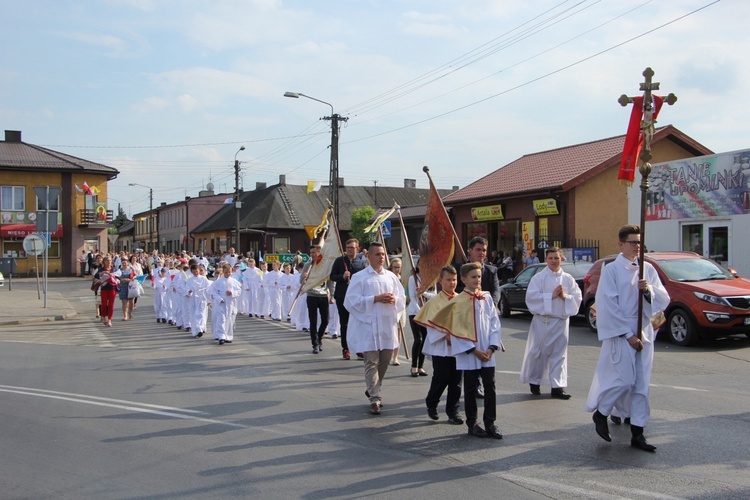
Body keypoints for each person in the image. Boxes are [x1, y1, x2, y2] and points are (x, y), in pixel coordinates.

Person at [585, 225, 670, 452]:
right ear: (621, 244)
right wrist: (628, 334)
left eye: (639, 243)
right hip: (622, 331)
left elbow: (663, 299)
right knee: (624, 379)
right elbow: (608, 304)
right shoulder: (612, 270)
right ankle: (602, 413)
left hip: (644, 327)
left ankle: (638, 432)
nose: (637, 246)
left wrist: (648, 291)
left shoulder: (647, 269)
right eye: (633, 242)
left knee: (641, 385)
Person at [429, 262, 503, 439]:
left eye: (479, 276)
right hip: (470, 352)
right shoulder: (458, 302)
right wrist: (473, 350)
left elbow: (494, 323)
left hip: (487, 351)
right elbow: (456, 329)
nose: (477, 280)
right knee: (470, 388)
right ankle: (473, 423)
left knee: (490, 387)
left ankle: (490, 423)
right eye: (473, 277)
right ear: (464, 279)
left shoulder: (486, 298)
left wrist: (491, 347)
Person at [344, 242, 406, 415]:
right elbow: (351, 301)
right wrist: (375, 298)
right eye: (377, 254)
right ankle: (375, 398)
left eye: (383, 254)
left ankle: (373, 387)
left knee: (384, 361)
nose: (381, 257)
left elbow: (402, 298)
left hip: (386, 325)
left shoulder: (391, 277)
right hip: (369, 326)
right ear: (369, 256)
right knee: (371, 361)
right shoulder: (360, 277)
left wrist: (395, 300)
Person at [520, 247, 582, 399]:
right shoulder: (538, 278)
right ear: (546, 260)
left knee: (559, 355)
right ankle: (535, 381)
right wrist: (551, 296)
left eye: (557, 258)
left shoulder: (568, 278)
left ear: (561, 259)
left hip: (560, 321)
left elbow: (577, 297)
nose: (554, 261)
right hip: (543, 321)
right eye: (551, 258)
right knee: (539, 352)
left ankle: (557, 386)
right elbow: (531, 298)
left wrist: (565, 297)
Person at [416, 265, 463, 424]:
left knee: (456, 381)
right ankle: (432, 402)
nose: (452, 283)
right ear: (440, 281)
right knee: (441, 378)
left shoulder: (461, 299)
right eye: (448, 280)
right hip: (441, 347)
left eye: (454, 280)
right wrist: (446, 336)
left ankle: (453, 411)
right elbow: (431, 325)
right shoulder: (434, 302)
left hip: (457, 347)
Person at [455, 236, 501, 399]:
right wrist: (470, 290)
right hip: (466, 316)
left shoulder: (491, 270)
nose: (481, 253)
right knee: (467, 359)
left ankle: (478, 385)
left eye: (484, 250)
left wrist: (490, 304)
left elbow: (496, 291)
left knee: (485, 355)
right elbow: (456, 288)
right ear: (470, 251)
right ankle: (466, 386)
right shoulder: (460, 268)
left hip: (485, 315)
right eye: (478, 250)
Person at [330, 238, 368, 360]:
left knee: (358, 323)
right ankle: (346, 349)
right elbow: (332, 276)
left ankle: (358, 348)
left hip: (357, 298)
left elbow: (365, 279)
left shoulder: (361, 263)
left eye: (352, 247)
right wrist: (342, 276)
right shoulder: (339, 261)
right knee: (344, 323)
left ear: (357, 249)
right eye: (348, 248)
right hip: (342, 296)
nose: (349, 250)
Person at [300, 244, 334, 354]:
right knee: (313, 321)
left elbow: (330, 282)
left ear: (319, 253)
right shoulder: (307, 265)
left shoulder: (325, 266)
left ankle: (319, 338)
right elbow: (302, 282)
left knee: (326, 320)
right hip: (311, 295)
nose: (312, 255)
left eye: (314, 252)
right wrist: (304, 277)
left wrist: (332, 295)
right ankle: (315, 344)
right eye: (311, 253)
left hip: (323, 295)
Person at [406, 263, 434, 376]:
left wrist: (424, 292)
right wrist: (420, 311)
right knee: (419, 339)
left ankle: (420, 366)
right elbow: (412, 297)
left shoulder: (431, 279)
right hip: (415, 312)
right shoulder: (413, 278)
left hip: (427, 313)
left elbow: (434, 295)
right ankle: (414, 366)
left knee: (425, 339)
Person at [209, 263, 242, 345]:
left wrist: (232, 293)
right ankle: (221, 336)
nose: (228, 273)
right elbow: (214, 292)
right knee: (221, 319)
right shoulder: (218, 282)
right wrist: (220, 299)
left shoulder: (234, 281)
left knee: (230, 320)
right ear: (223, 272)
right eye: (226, 272)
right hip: (222, 303)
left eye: (229, 272)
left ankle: (229, 336)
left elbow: (239, 291)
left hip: (231, 303)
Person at [388, 258, 406, 366]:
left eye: (398, 267)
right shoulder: (388, 278)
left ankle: (396, 357)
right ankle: (387, 354)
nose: (396, 269)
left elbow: (406, 294)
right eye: (395, 267)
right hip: (390, 307)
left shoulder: (404, 279)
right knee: (390, 331)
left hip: (401, 308)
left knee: (399, 332)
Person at [94, 256, 119, 327]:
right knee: (104, 304)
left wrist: (113, 276)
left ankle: (109, 319)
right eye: (107, 260)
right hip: (104, 288)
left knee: (111, 304)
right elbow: (96, 276)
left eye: (110, 260)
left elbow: (119, 277)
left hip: (112, 288)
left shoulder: (114, 269)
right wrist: (103, 273)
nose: (109, 262)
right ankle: (104, 316)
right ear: (104, 262)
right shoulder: (101, 269)